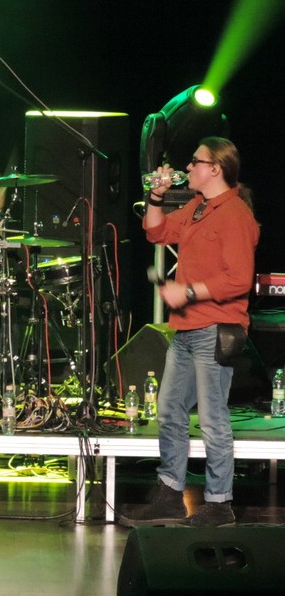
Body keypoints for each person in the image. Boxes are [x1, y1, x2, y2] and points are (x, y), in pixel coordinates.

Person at [122, 137, 258, 528]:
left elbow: (239, 278)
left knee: (213, 419)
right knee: (169, 411)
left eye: (195, 162)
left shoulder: (235, 214)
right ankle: (169, 495)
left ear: (215, 168)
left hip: (215, 328)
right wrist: (156, 196)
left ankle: (219, 503)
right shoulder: (198, 206)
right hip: (184, 330)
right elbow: (156, 232)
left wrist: (190, 291)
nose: (188, 167)